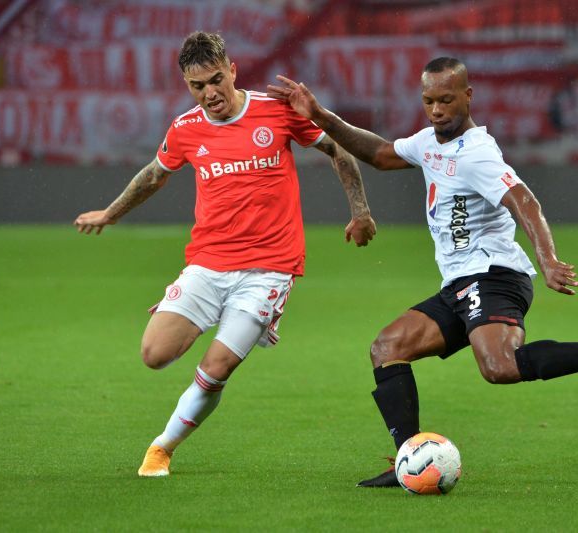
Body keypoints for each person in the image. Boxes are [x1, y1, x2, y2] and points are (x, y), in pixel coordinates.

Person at [267, 57, 578, 488]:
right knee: (387, 348)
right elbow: (378, 153)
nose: (436, 110)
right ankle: (411, 459)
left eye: (446, 100)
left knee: (499, 366)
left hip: (495, 276)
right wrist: (320, 115)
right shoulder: (429, 142)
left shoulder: (478, 153)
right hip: (460, 283)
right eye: (429, 101)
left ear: (468, 96)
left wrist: (546, 259)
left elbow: (525, 201)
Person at [74, 31, 376, 477]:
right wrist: (112, 213)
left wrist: (361, 212)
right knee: (154, 354)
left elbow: (340, 150)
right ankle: (200, 315)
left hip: (269, 269)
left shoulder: (275, 113)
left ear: (232, 70)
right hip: (208, 265)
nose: (210, 93)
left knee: (216, 366)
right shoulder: (185, 128)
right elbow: (155, 175)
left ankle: (162, 447)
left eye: (216, 80)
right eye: (198, 86)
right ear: (187, 86)